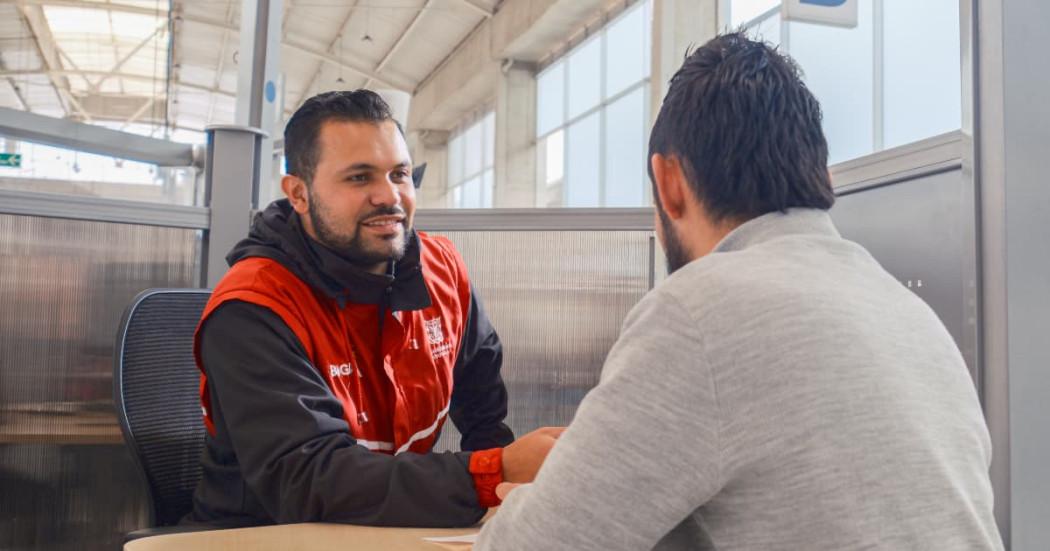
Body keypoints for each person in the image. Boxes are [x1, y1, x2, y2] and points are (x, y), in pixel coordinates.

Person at [475, 33, 1003, 550]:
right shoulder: (908, 313)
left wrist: (527, 501)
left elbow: (537, 543)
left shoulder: (698, 312)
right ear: (822, 176)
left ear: (669, 182)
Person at [185, 90, 561, 528]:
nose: (390, 196)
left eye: (399, 173)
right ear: (299, 193)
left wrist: (503, 495)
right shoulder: (254, 307)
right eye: (360, 178)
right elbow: (310, 479)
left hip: (388, 528)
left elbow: (483, 403)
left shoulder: (442, 270)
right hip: (265, 536)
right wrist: (492, 472)